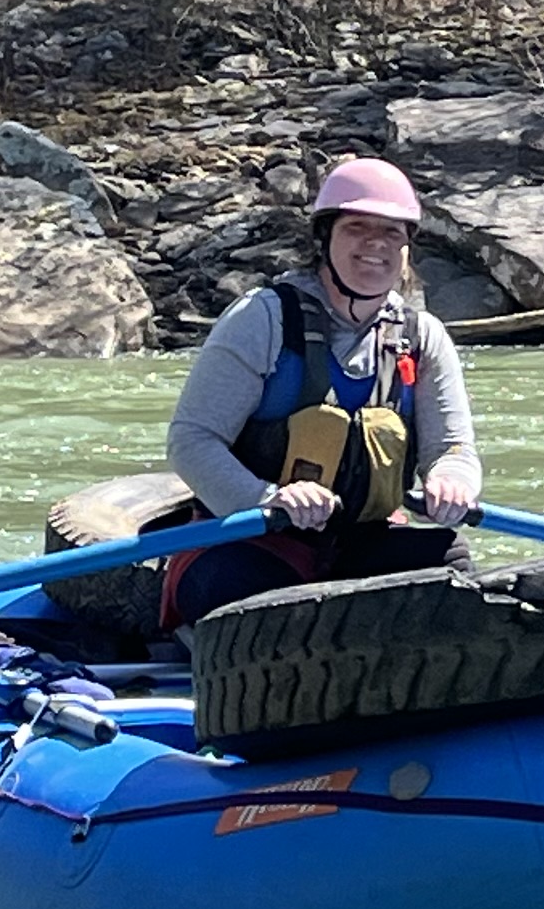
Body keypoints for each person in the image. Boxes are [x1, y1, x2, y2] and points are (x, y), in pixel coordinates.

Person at [161, 156, 486, 630]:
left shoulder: (422, 337)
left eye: (393, 233)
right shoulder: (263, 319)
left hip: (364, 541)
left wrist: (453, 481)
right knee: (250, 593)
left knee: (450, 560)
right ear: (324, 237)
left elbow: (453, 449)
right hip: (252, 542)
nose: (376, 244)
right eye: (357, 227)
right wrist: (266, 498)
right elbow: (191, 441)